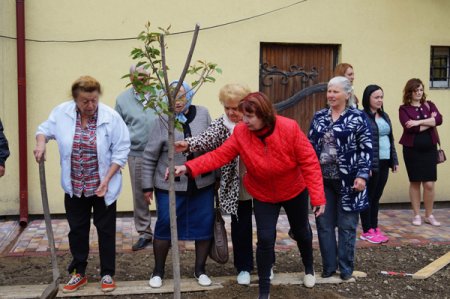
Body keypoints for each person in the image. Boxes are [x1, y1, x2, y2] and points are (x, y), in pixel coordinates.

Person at [172, 92, 326, 298]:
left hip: (293, 189)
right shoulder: (241, 133)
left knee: (301, 232)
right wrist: (188, 168)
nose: (244, 121)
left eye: (249, 116)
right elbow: (219, 155)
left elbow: (309, 161)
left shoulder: (288, 128)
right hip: (262, 192)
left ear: (264, 114)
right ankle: (264, 291)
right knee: (264, 238)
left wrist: (317, 197)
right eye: (243, 116)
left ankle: (308, 267)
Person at [33, 76, 130, 293]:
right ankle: (78, 273)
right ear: (75, 99)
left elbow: (122, 149)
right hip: (75, 186)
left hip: (103, 186)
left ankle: (107, 274)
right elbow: (44, 129)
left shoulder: (110, 117)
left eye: (94, 100)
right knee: (77, 230)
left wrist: (106, 180)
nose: (90, 106)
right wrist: (41, 144)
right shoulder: (62, 113)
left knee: (105, 230)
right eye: (85, 101)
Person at [174, 83, 256, 285]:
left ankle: (267, 264)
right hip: (234, 183)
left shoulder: (253, 122)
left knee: (265, 224)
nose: (230, 112)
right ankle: (244, 267)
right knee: (240, 225)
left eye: (235, 108)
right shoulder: (221, 125)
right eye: (227, 107)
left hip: (259, 178)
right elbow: (206, 139)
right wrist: (189, 144)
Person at [142, 81, 216, 288]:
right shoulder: (163, 119)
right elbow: (149, 156)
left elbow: (212, 147)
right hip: (170, 185)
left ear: (190, 96)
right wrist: (146, 186)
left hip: (203, 183)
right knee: (165, 223)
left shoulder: (203, 113)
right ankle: (158, 271)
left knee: (204, 224)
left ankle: (200, 269)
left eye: (182, 96)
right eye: (172, 96)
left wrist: (217, 178)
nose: (177, 100)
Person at [308, 76, 372, 281]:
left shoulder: (358, 117)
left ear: (347, 94)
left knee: (347, 225)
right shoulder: (319, 117)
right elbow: (309, 148)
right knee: (324, 224)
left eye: (335, 91)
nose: (331, 95)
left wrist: (362, 175)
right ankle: (328, 267)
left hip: (350, 181)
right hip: (322, 180)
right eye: (329, 91)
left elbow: (366, 149)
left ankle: (345, 268)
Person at [115, 65, 157, 251]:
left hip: (163, 153)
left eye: (145, 76)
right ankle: (145, 233)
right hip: (137, 154)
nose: (142, 80)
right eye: (138, 76)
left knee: (165, 192)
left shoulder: (161, 95)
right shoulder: (123, 100)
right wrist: (118, 156)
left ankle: (166, 231)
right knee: (141, 196)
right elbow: (118, 129)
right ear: (131, 77)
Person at [398, 78, 442, 227]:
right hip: (412, 150)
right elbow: (410, 129)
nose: (418, 92)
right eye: (415, 90)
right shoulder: (403, 109)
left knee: (429, 184)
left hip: (430, 149)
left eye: (421, 90)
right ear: (409, 92)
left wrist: (417, 122)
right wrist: (429, 121)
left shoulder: (429, 105)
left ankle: (429, 215)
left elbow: (439, 120)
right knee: (415, 182)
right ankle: (417, 215)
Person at [359, 85, 399, 244]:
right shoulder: (362, 116)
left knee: (376, 197)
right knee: (368, 197)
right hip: (370, 164)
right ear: (368, 98)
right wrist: (365, 166)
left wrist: (394, 160)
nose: (380, 100)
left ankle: (374, 227)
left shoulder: (385, 116)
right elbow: (360, 143)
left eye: (381, 97)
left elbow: (391, 139)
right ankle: (367, 230)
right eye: (376, 97)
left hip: (384, 161)